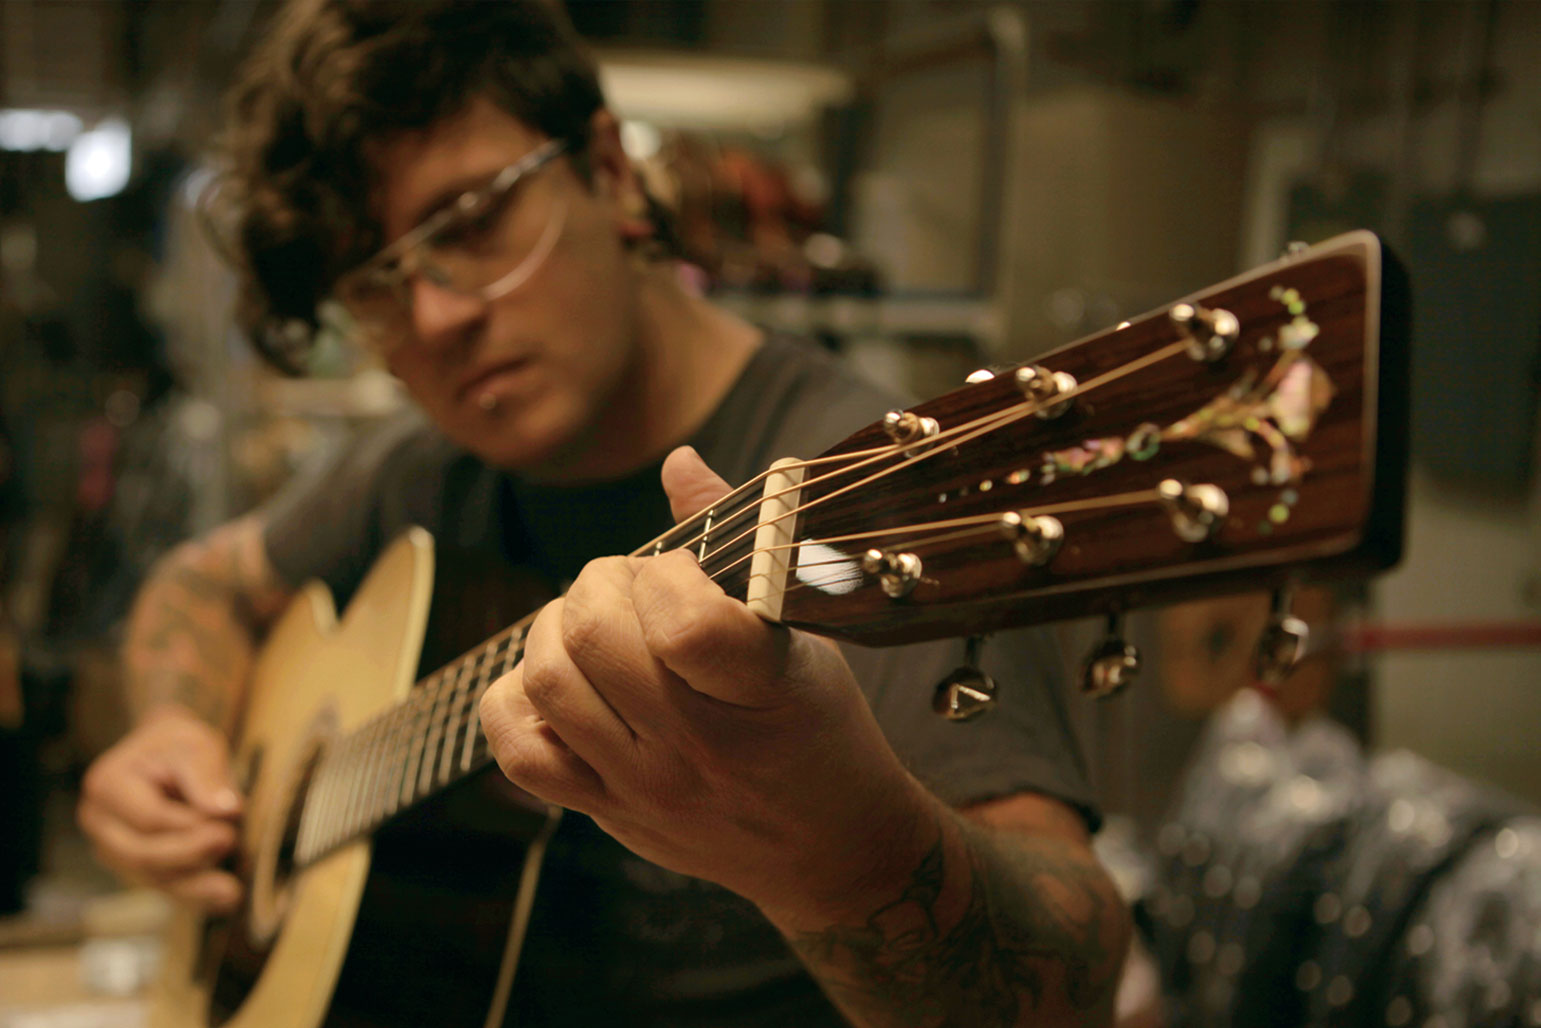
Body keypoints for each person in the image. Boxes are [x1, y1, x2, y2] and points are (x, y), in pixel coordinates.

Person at [77, 1, 1131, 1024]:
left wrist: (837, 855)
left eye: (477, 218)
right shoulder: (418, 475)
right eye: (375, 285)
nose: (437, 314)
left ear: (609, 170)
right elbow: (202, 581)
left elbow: (1065, 991)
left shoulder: (856, 491)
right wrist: (176, 724)